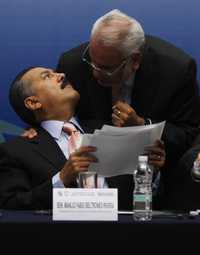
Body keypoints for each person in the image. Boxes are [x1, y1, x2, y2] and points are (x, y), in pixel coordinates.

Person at [56, 9, 200, 209]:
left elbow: (190, 134)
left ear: (135, 60)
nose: (95, 73)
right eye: (92, 62)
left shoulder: (176, 69)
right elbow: (56, 116)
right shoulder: (73, 63)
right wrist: (36, 128)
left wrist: (143, 125)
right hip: (89, 191)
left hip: (151, 188)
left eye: (106, 68)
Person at [0, 67, 165, 210]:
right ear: (33, 102)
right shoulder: (16, 151)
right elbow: (11, 204)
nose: (62, 74)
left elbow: (141, 198)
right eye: (47, 76)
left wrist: (150, 170)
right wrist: (61, 180)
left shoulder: (113, 131)